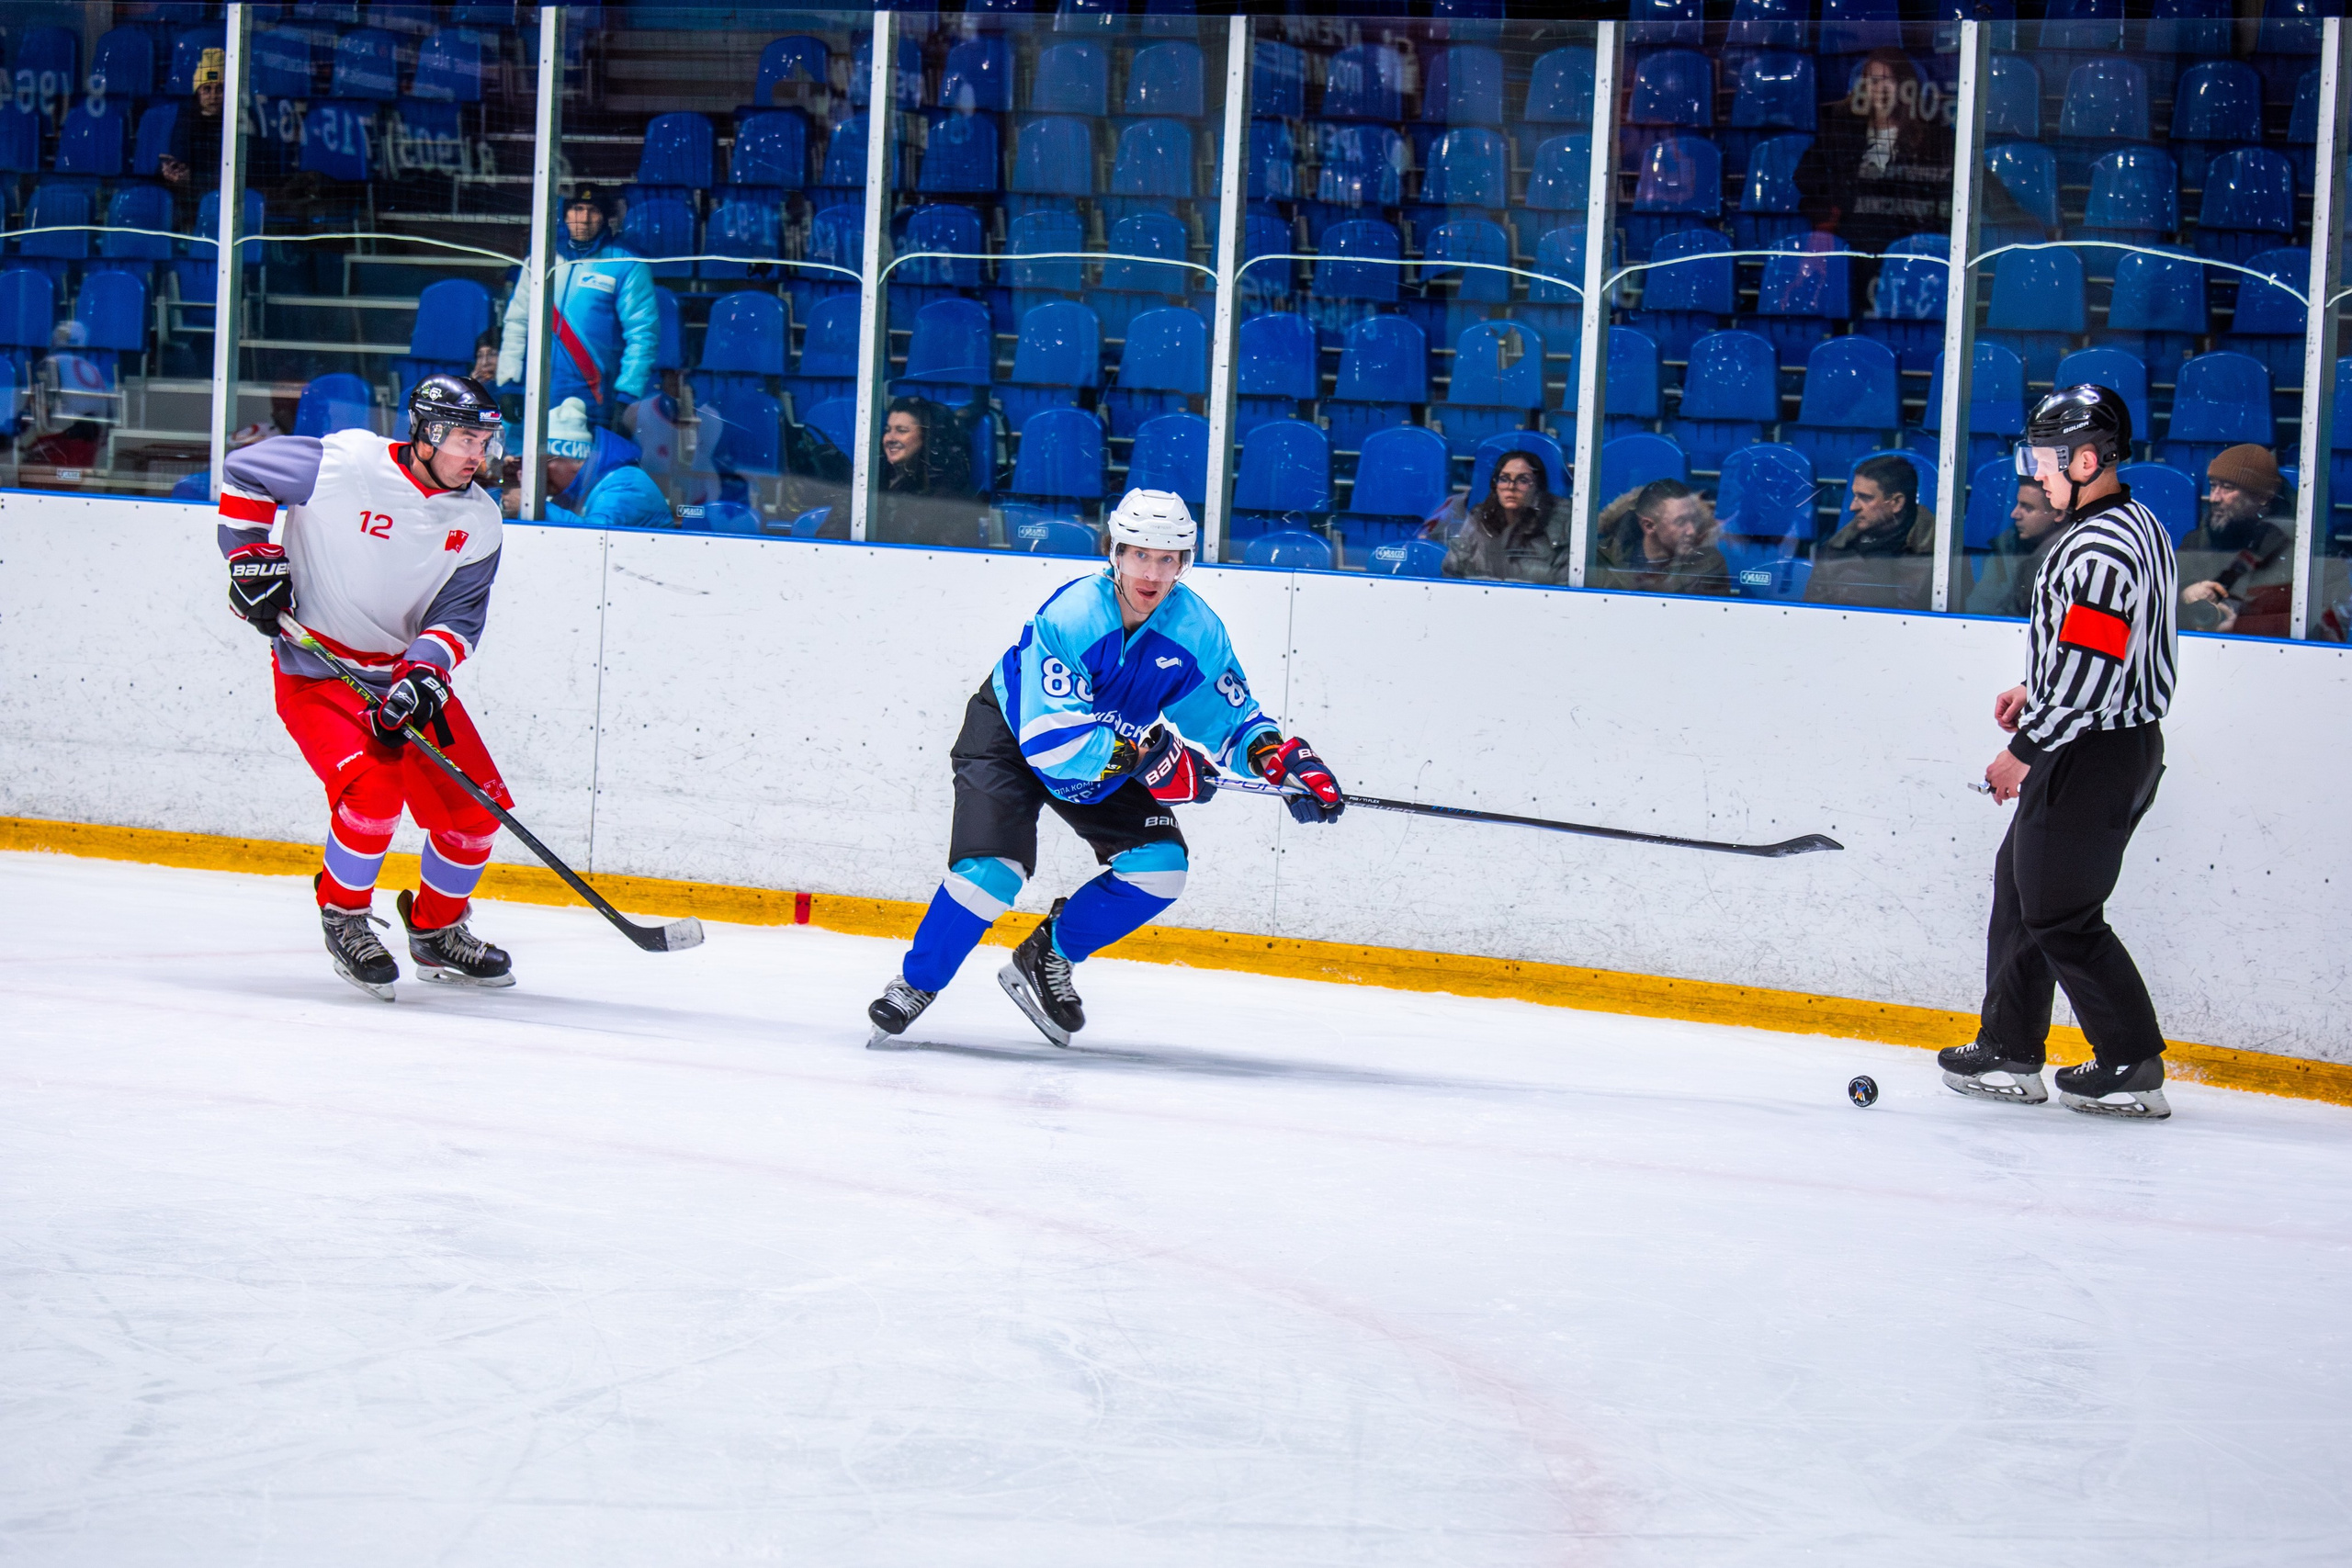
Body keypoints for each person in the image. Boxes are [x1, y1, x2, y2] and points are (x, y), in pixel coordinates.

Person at [865, 489, 1347, 1048]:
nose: (1153, 573)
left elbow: (1230, 717)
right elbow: (1053, 746)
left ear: (1184, 564)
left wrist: (1278, 761)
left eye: (1169, 559)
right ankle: (916, 983)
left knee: (1161, 868)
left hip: (1109, 748)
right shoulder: (1073, 615)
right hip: (1012, 740)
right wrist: (1150, 762)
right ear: (1113, 552)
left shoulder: (1195, 630)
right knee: (991, 875)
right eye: (1141, 554)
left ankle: (1047, 955)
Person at [215, 375, 517, 1000]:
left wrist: (424, 677)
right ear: (428, 433)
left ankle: (437, 932)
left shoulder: (480, 520)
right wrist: (247, 556)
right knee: (373, 795)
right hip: (317, 669)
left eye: (486, 441)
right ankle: (345, 916)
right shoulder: (347, 463)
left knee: (477, 811)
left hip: (402, 674)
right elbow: (245, 470)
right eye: (466, 438)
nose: (478, 456)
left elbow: (455, 618)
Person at [1939, 384, 2178, 1119]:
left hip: (2091, 750)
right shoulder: (2133, 524)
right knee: (2022, 888)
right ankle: (2010, 1046)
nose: (2036, 473)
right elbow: (2091, 650)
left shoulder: (2103, 546)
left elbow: (2094, 665)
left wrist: (2027, 745)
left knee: (2061, 912)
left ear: (2086, 457)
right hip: (2098, 739)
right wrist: (2033, 685)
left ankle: (2130, 1059)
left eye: (2044, 459)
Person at [495, 185, 657, 429]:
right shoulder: (541, 259)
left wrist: (628, 396)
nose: (583, 218)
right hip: (539, 396)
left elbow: (643, 335)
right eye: (577, 209)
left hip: (598, 401)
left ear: (605, 217)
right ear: (565, 215)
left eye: (592, 210)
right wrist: (509, 381)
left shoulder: (628, 263)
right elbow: (518, 322)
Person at [2177, 444, 2292, 637]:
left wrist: (2242, 625)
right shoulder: (2196, 541)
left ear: (2263, 496)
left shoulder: (2296, 546)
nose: (2214, 498)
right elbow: (2157, 598)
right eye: (2213, 486)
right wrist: (2185, 593)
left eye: (2227, 488)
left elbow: (2314, 619)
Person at [516, 396, 674, 529]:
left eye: (545, 461)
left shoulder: (625, 486)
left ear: (575, 460)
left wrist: (533, 505)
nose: (540, 470)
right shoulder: (584, 486)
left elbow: (593, 540)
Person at [1805, 454, 1935, 609]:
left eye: (1865, 498)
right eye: (1855, 496)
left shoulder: (1943, 557)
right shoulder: (1835, 550)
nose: (1853, 507)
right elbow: (1812, 618)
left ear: (1896, 502)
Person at [1431, 450, 1568, 582]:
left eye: (1522, 480)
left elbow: (1564, 586)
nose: (1511, 486)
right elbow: (1451, 573)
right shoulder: (1479, 519)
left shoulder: (1558, 523)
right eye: (1504, 479)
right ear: (1495, 485)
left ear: (1537, 487)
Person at [1591, 478, 1734, 595]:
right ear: (1648, 526)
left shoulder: (1708, 565)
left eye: (1694, 519)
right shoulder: (1600, 561)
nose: (1691, 531)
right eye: (1681, 522)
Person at [876, 394, 980, 547]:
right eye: (888, 430)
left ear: (926, 437)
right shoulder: (872, 480)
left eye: (902, 430)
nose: (890, 438)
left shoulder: (952, 500)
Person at [1965, 476, 2066, 617]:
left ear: (2058, 513)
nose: (2014, 514)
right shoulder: (2006, 547)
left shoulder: (2075, 556)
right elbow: (1980, 608)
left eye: (2028, 507)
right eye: (2018, 504)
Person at [159, 48, 225, 207]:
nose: (213, 95)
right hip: (189, 198)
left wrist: (193, 178)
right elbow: (178, 157)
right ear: (198, 92)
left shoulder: (236, 123)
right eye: (207, 89)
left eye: (220, 89)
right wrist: (171, 174)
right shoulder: (186, 119)